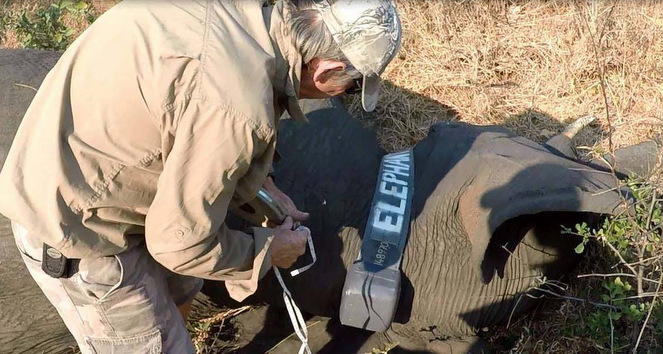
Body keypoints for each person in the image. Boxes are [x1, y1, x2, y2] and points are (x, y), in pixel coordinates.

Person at [0, 0, 401, 352]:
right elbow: (180, 245)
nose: (343, 93)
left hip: (88, 157)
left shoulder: (240, 18)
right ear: (326, 68)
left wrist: (263, 185)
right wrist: (267, 251)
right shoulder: (235, 110)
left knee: (183, 286)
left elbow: (185, 114)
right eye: (351, 87)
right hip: (80, 226)